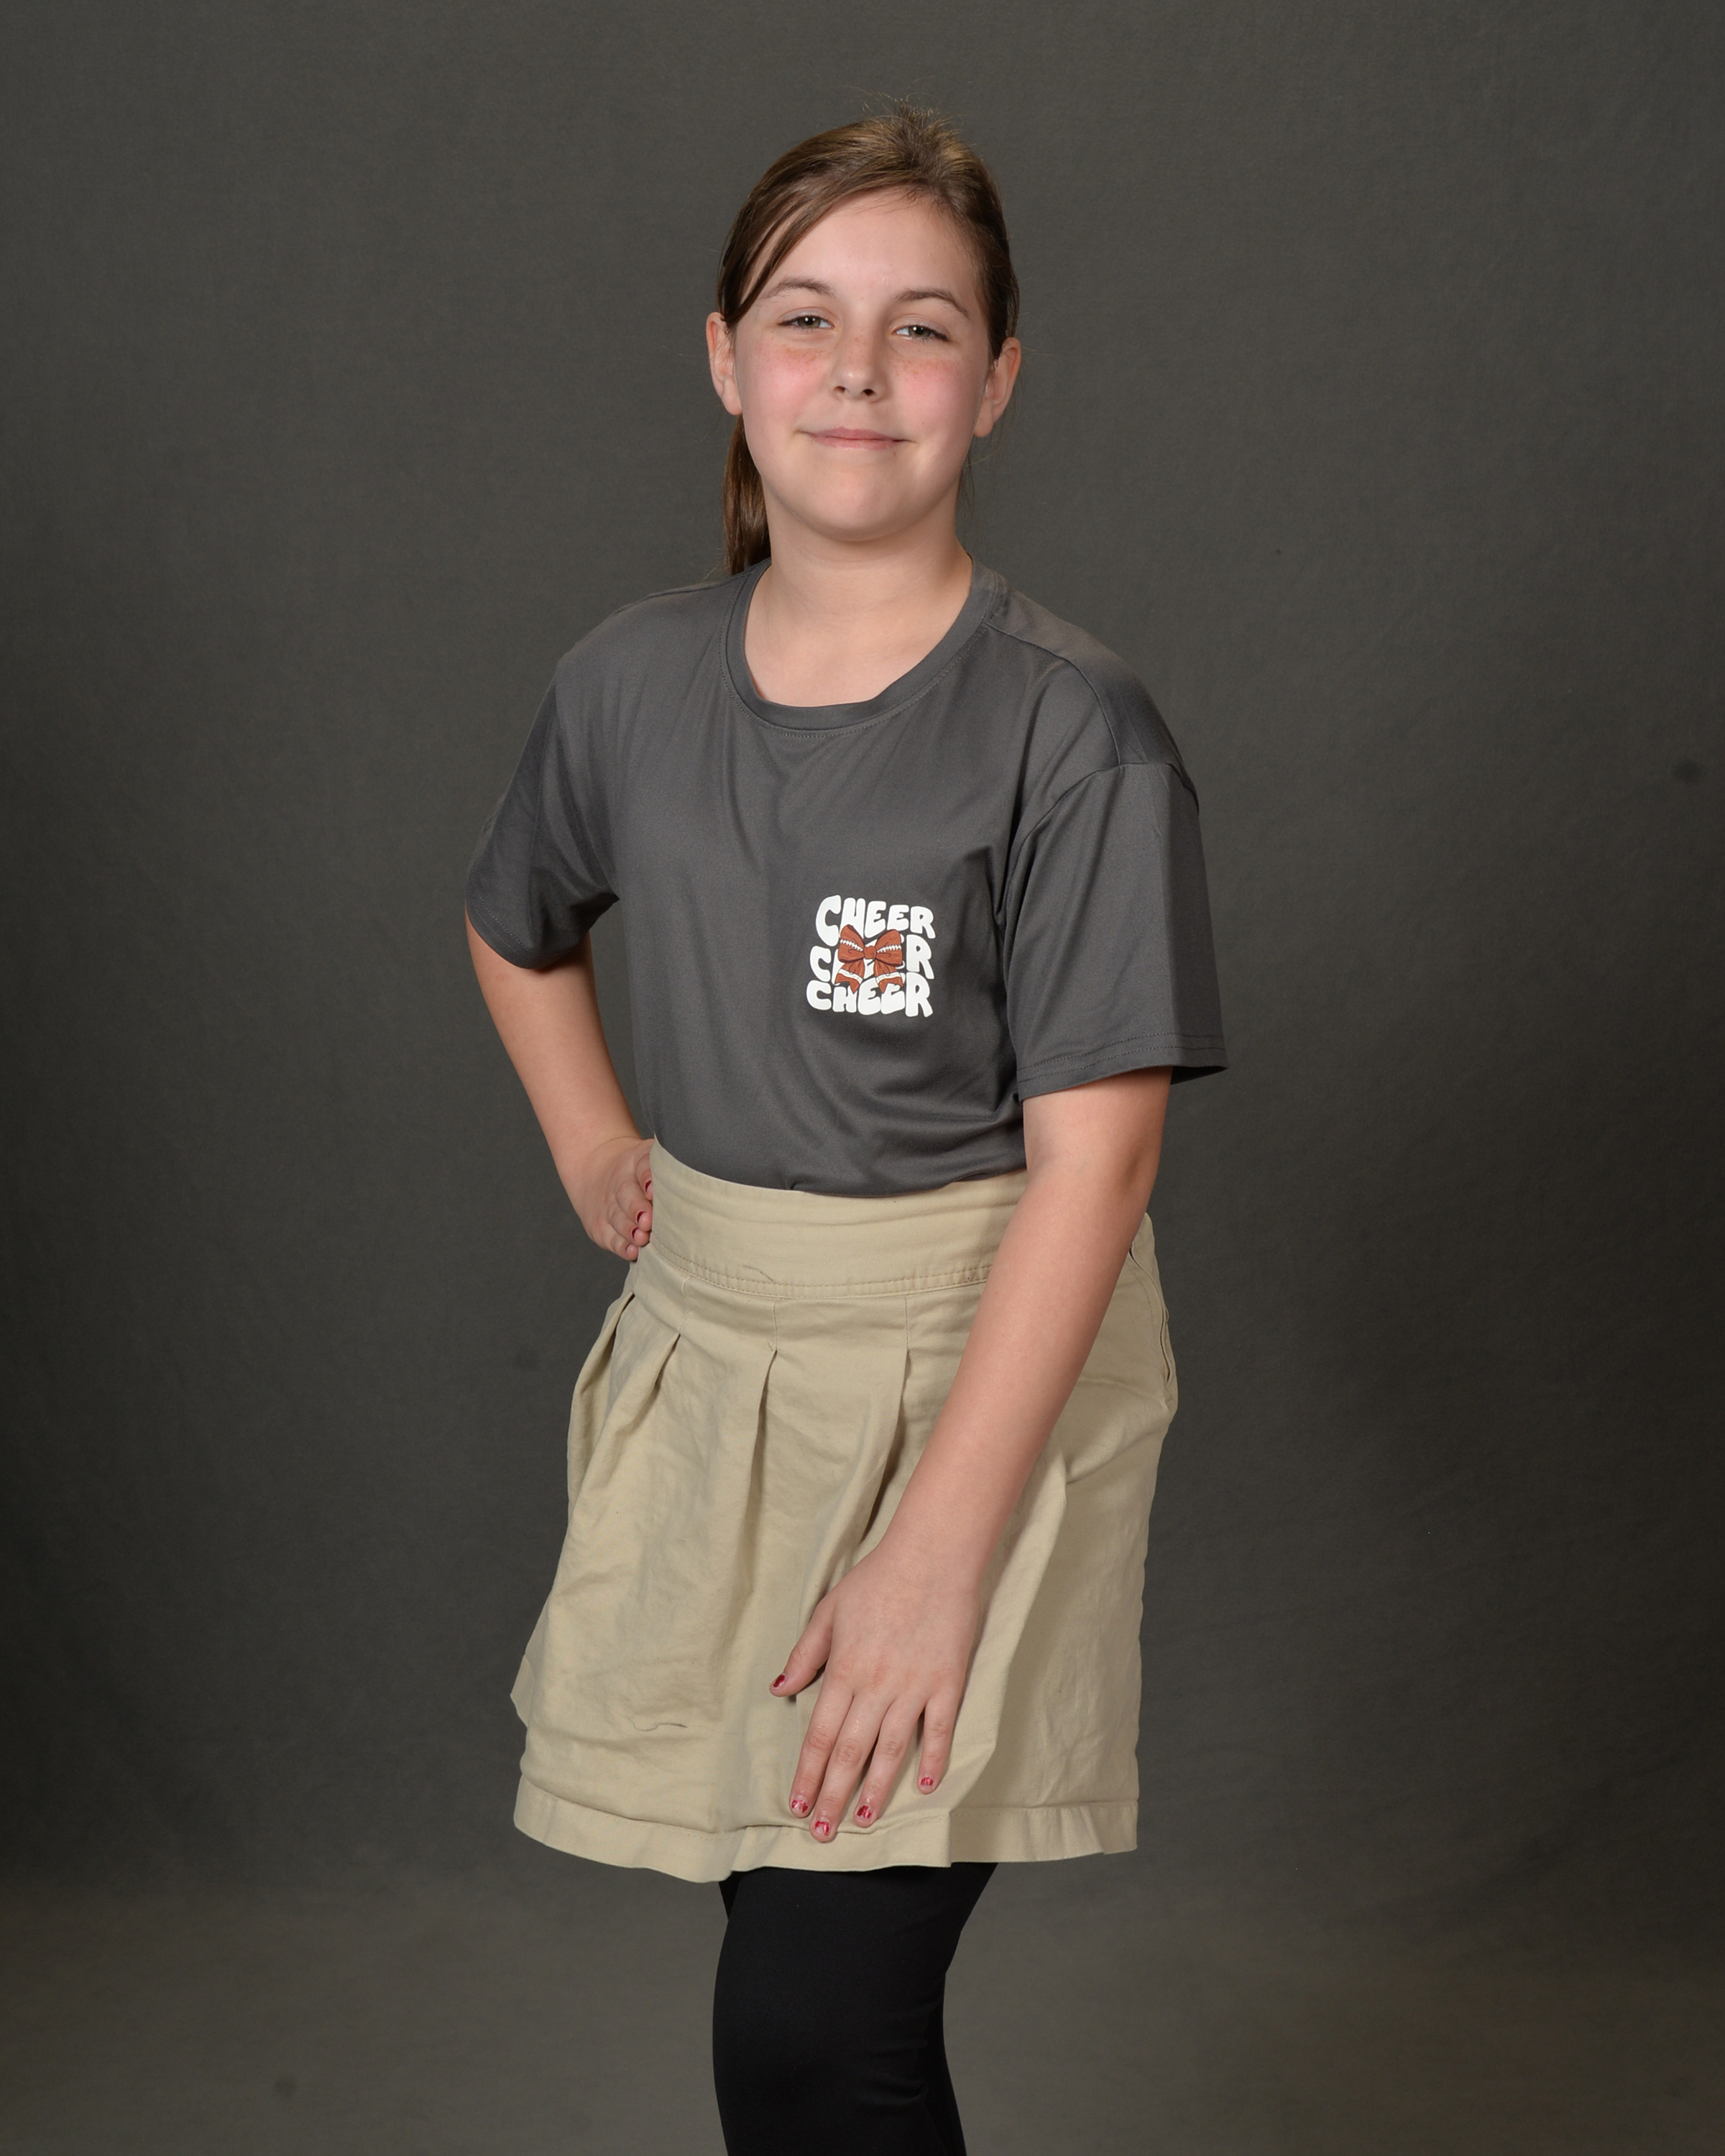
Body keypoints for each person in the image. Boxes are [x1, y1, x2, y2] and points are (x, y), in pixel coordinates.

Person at [464, 104, 1225, 2156]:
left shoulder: (1073, 732)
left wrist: (930, 1560)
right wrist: (598, 1146)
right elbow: (515, 923)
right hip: (720, 1367)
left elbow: (1101, 1166)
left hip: (975, 1379)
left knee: (815, 2027)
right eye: (806, 319)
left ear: (998, 378)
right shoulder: (628, 685)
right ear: (728, 359)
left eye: (923, 327)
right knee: (790, 1979)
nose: (861, 371)